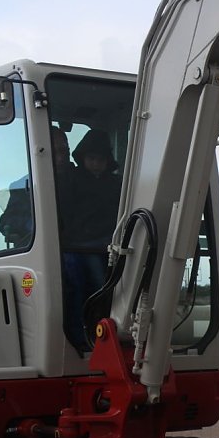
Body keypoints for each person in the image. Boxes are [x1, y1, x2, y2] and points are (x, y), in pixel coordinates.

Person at [60, 129, 123, 351]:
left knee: (102, 290)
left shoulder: (116, 185)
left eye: (100, 160)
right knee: (75, 289)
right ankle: (79, 336)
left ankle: (102, 336)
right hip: (74, 247)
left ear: (108, 161)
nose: (96, 164)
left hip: (104, 247)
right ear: (82, 158)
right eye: (91, 158)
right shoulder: (70, 180)